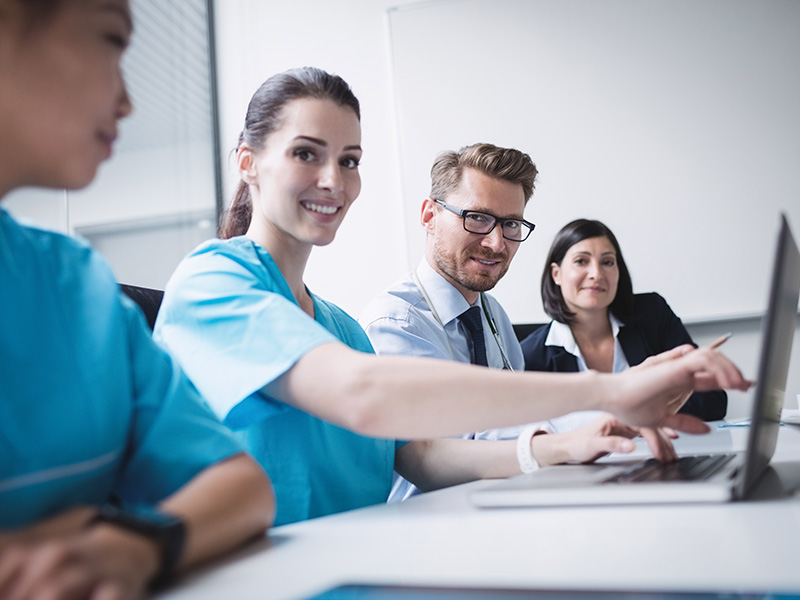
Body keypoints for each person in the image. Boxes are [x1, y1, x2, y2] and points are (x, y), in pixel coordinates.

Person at [153, 66, 750, 527]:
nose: (334, 180)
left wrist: (569, 444)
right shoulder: (213, 282)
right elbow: (365, 397)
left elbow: (422, 456)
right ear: (248, 163)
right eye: (306, 153)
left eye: (350, 160)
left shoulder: (341, 328)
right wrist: (611, 390)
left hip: (364, 561)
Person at [0, 1, 275, 597]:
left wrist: (132, 543)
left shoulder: (75, 286)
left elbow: (243, 487)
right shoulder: (215, 276)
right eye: (109, 40)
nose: (127, 103)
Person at [360, 143, 683, 501]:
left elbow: (512, 420)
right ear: (429, 216)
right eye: (477, 218)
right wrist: (608, 405)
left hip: (504, 499)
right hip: (430, 516)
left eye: (511, 224)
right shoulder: (397, 322)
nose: (496, 243)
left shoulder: (492, 314)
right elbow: (456, 445)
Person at [520, 218, 728, 431]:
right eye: (581, 261)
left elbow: (712, 399)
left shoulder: (652, 314)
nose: (596, 274)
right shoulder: (530, 356)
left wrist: (640, 407)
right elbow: (531, 429)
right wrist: (629, 408)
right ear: (556, 274)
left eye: (607, 262)